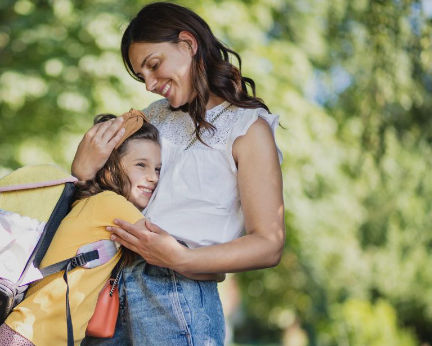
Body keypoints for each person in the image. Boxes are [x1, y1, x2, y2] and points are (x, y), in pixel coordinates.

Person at [74, 3, 285, 346]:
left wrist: (184, 259)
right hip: (108, 286)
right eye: (142, 76)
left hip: (177, 295)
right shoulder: (149, 117)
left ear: (188, 44)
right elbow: (101, 192)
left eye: (154, 66)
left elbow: (269, 244)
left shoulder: (248, 129)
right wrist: (82, 169)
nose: (150, 84)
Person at [0, 110, 204, 346]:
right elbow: (169, 251)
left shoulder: (91, 204)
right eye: (141, 165)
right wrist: (214, 269)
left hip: (29, 334)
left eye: (157, 169)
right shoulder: (110, 204)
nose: (153, 177)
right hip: (28, 337)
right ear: (111, 168)